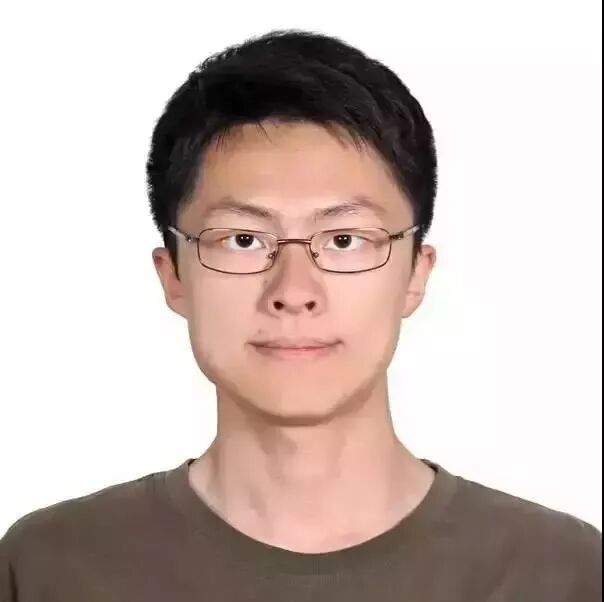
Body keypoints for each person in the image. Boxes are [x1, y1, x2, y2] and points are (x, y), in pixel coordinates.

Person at [1, 29, 601, 601]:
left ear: (416, 274)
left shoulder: (560, 574)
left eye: (344, 240)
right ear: (173, 275)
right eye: (242, 240)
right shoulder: (52, 569)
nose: (293, 291)